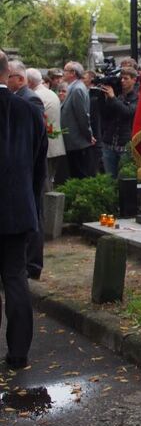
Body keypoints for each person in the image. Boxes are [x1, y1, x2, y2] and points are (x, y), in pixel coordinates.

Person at [0, 49, 47, 369]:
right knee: (15, 278)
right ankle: (18, 352)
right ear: (6, 73)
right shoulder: (28, 109)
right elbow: (37, 162)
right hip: (17, 207)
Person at [7, 62, 46, 281]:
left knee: (35, 216)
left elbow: (37, 140)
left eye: (9, 76)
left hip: (28, 170)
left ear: (19, 78)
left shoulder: (30, 100)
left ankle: (33, 264)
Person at [97, 67, 139, 178]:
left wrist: (113, 98)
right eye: (121, 78)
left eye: (126, 78)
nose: (122, 81)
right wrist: (104, 98)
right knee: (110, 179)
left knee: (125, 179)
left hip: (124, 146)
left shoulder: (137, 97)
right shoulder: (116, 94)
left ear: (134, 80)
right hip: (108, 144)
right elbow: (104, 115)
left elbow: (128, 112)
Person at [30, 68, 67, 190]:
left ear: (29, 81)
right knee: (49, 180)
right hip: (55, 144)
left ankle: (48, 209)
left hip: (47, 145)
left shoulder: (36, 96)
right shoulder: (49, 93)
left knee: (44, 184)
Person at [60, 61, 95, 179]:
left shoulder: (77, 89)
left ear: (73, 73)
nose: (62, 73)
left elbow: (83, 116)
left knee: (79, 174)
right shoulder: (72, 87)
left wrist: (88, 135)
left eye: (65, 70)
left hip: (78, 142)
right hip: (73, 141)